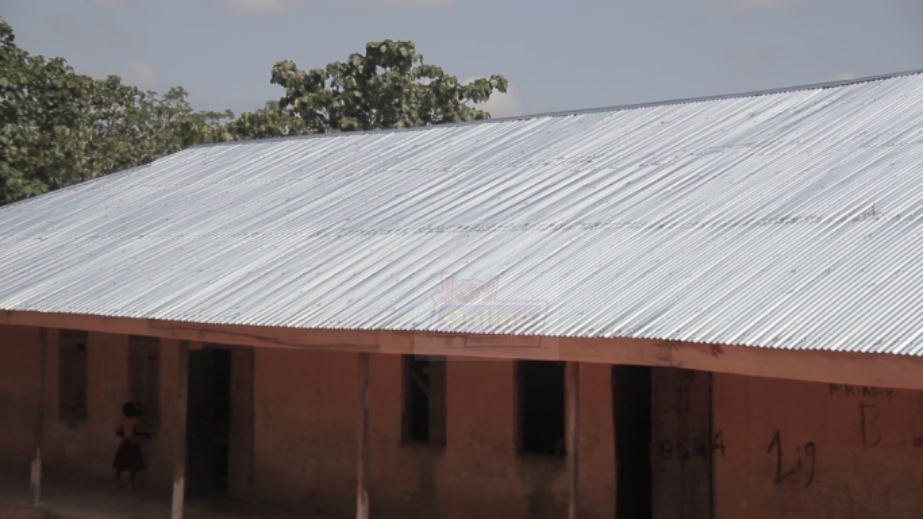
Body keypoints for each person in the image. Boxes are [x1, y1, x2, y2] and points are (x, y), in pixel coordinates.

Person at [113, 401, 151, 490]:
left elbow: (118, 432)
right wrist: (145, 434)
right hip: (133, 443)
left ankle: (116, 482)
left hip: (125, 443)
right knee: (133, 464)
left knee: (120, 463)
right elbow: (136, 431)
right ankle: (131, 483)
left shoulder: (123, 421)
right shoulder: (135, 421)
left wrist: (125, 436)